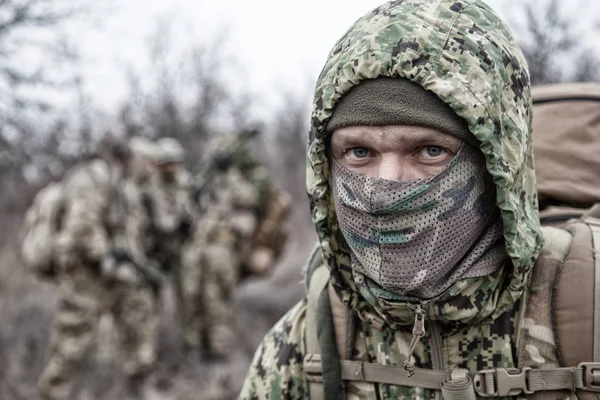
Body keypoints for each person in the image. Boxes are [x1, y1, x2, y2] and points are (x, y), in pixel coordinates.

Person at [240, 1, 599, 399]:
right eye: (359, 153)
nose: (384, 186)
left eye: (429, 151)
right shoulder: (302, 347)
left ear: (496, 168)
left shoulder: (587, 311)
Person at [37, 136, 161, 400]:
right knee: (72, 343)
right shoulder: (91, 178)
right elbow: (82, 229)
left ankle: (139, 386)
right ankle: (54, 393)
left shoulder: (123, 183)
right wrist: (110, 261)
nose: (149, 169)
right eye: (146, 162)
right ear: (132, 158)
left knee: (139, 324)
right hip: (85, 276)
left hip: (115, 275)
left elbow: (127, 231)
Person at [180, 131, 289, 360]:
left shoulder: (249, 178)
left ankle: (220, 355)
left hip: (224, 248)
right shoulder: (210, 178)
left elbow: (250, 199)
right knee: (193, 299)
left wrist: (228, 173)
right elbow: (193, 199)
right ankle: (197, 349)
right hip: (200, 247)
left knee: (217, 301)